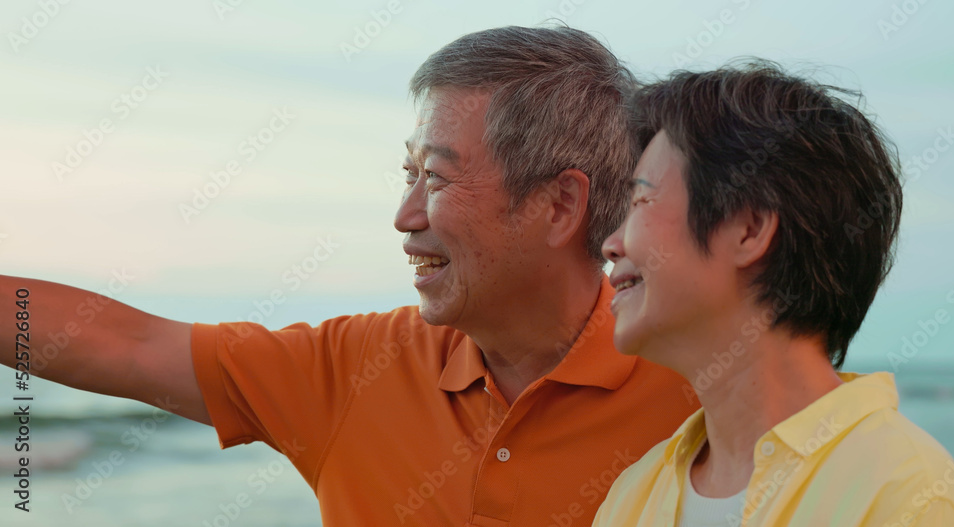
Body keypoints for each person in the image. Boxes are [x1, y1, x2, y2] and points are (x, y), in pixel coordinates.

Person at [1, 26, 698, 525]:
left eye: (435, 177)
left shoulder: (705, 392)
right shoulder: (354, 367)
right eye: (407, 174)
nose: (403, 215)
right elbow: (125, 345)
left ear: (559, 204)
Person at [593, 60, 954, 526]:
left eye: (641, 201)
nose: (612, 244)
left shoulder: (905, 497)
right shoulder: (634, 494)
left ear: (750, 228)